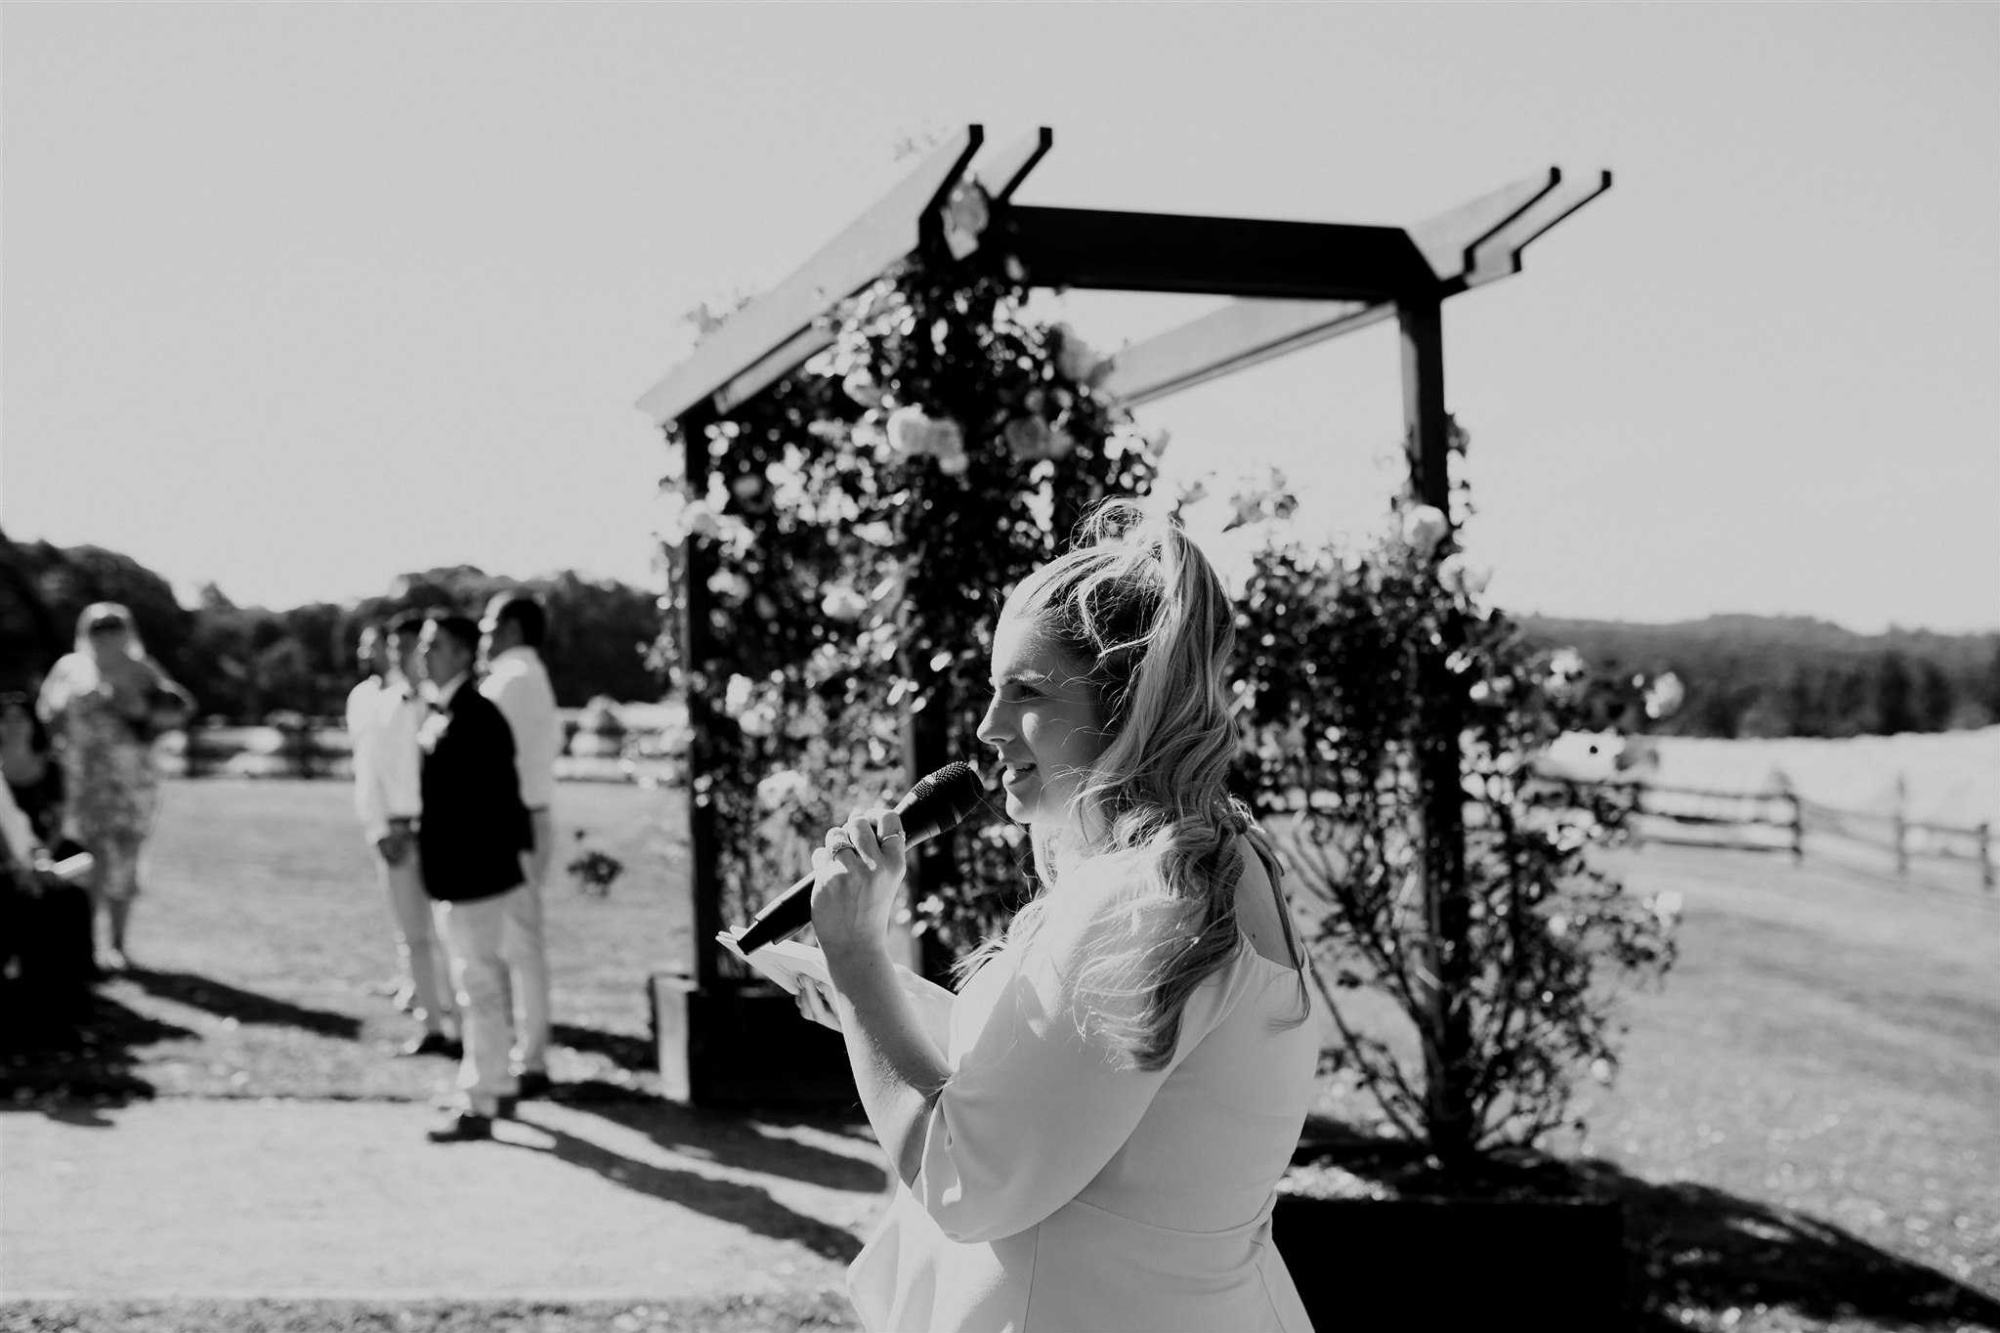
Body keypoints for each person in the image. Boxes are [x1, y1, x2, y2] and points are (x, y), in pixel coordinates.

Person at [793, 502, 1319, 1332]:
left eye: (1027, 691)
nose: (988, 726)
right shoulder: (1224, 855)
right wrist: (882, 1007)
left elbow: (964, 1174)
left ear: (1128, 704)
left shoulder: (1140, 896)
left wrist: (858, 963)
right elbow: (1094, 1089)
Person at [415, 612, 531, 1142]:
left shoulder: (476, 715)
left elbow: (492, 805)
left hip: (475, 876)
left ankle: (479, 1097)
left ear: (464, 653)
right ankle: (497, 1084)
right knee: (478, 981)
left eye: (435, 644)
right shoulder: (449, 711)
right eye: (424, 644)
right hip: (459, 876)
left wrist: (464, 870)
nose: (424, 653)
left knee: (477, 984)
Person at [35, 603, 194, 974]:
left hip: (130, 780)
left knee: (124, 856)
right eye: (97, 628)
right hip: (82, 781)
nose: (106, 635)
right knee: (87, 858)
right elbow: (45, 714)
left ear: (128, 631)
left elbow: (177, 712)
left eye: (114, 627)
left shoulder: (143, 669)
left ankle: (118, 944)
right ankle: (85, 944)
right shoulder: (69, 668)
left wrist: (138, 707)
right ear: (85, 632)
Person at [351, 615, 458, 1056]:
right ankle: (431, 1024)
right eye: (394, 647)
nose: (400, 656)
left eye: (410, 646)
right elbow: (368, 772)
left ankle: (462, 1024)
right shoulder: (381, 705)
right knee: (413, 934)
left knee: (452, 933)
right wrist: (379, 829)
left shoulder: (446, 706)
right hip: (396, 829)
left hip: (440, 832)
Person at [477, 590, 561, 1099]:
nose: (483, 636)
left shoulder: (508, 681)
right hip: (530, 818)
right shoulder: (532, 677)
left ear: (509, 628)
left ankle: (529, 1059)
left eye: (489, 626)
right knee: (518, 943)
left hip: (514, 822)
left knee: (517, 945)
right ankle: (525, 1054)